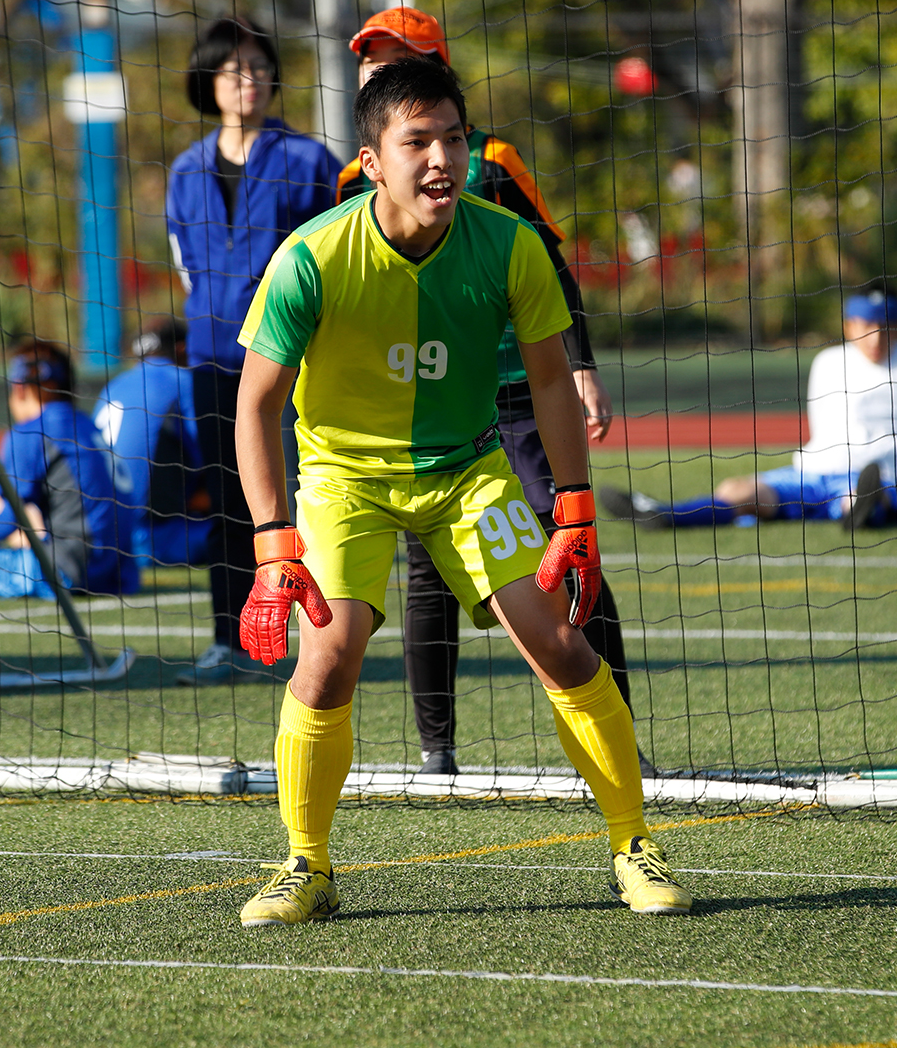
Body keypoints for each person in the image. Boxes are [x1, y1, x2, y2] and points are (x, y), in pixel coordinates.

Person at [229, 56, 692, 927]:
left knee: (559, 638)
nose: (441, 158)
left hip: (470, 471)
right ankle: (306, 865)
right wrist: (272, 541)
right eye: (417, 142)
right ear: (372, 161)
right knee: (328, 658)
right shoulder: (311, 257)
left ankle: (634, 844)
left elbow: (552, 384)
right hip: (343, 481)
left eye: (453, 137)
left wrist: (576, 511)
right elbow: (254, 402)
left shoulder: (509, 243)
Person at [335, 6, 645, 778]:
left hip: (512, 390)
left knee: (566, 548)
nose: (377, 67)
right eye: (370, 59)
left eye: (395, 55)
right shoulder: (352, 179)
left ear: (437, 64)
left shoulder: (491, 161)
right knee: (424, 576)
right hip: (424, 404)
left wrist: (581, 364)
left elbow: (550, 265)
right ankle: (436, 750)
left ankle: (623, 735)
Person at [167, 14, 340, 684]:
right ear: (207, 82)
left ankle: (318, 641)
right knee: (227, 499)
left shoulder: (310, 161)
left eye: (260, 67)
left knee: (304, 498)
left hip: (292, 361)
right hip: (211, 359)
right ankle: (229, 640)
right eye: (235, 68)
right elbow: (184, 263)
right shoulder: (184, 170)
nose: (251, 79)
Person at [603, 282, 897, 532]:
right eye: (867, 325)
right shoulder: (829, 362)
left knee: (861, 495)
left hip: (879, 477)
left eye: (887, 326)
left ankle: (862, 512)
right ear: (849, 325)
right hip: (812, 474)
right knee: (739, 489)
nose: (877, 337)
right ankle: (664, 514)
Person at [0, 339, 127, 597]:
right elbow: (40, 484)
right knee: (26, 531)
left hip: (68, 572)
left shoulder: (32, 430)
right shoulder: (85, 426)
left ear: (18, 388)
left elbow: (10, 510)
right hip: (119, 574)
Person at [92, 316, 211, 575]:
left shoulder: (112, 386)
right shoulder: (183, 381)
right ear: (182, 349)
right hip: (156, 539)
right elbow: (213, 461)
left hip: (102, 536)